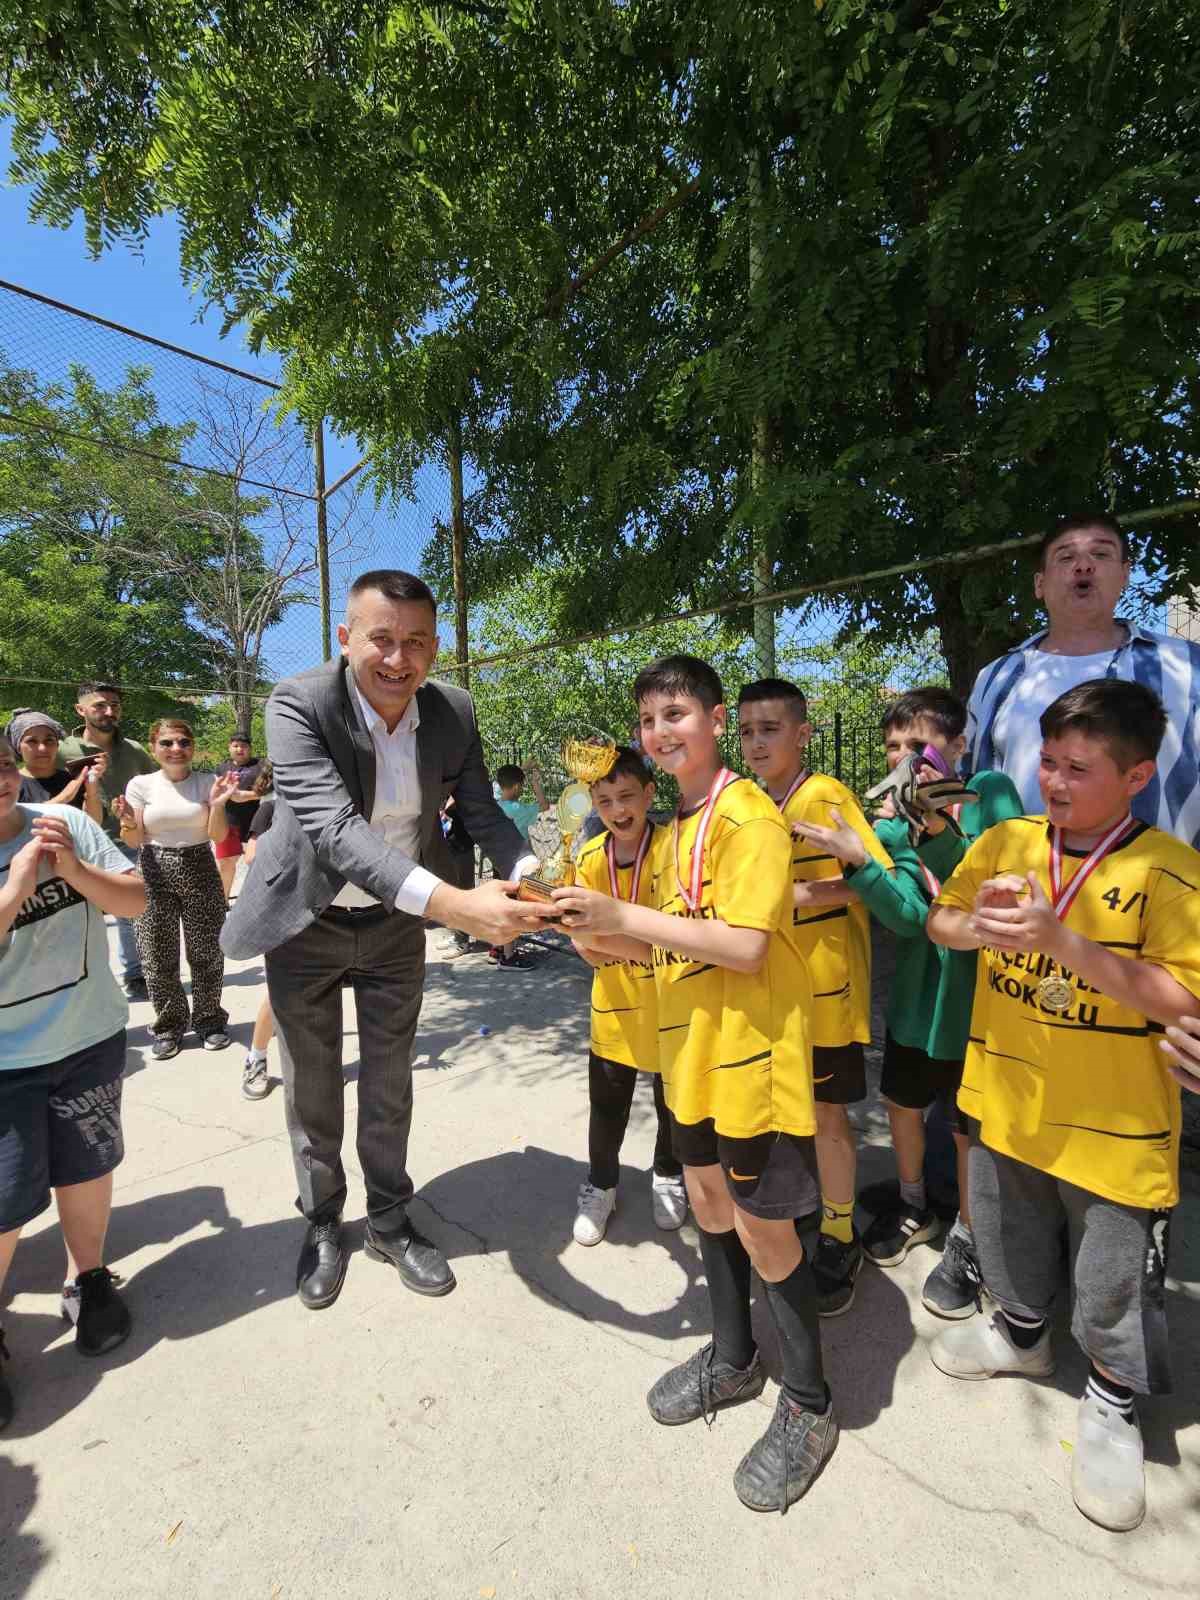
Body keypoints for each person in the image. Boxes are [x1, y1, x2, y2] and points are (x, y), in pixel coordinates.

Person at [220, 569, 554, 1312]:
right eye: (382, 640)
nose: (398, 660)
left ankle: (389, 1219)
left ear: (435, 647)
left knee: (390, 1077)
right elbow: (333, 831)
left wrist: (536, 881)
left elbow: (483, 815)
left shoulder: (454, 713)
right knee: (311, 1084)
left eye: (416, 643)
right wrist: (457, 908)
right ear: (346, 639)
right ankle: (321, 1222)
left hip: (394, 927)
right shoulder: (299, 703)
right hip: (305, 920)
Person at [553, 655, 837, 1515]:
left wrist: (624, 917)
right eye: (647, 721)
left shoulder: (748, 816)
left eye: (675, 713)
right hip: (691, 1058)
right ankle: (732, 1355)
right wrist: (594, 937)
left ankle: (810, 1404)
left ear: (715, 720)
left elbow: (747, 944)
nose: (659, 732)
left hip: (753, 1060)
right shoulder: (674, 831)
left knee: (766, 1229)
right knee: (709, 1205)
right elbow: (677, 945)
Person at [926, 678, 1200, 1532]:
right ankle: (1021, 1334)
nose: (1054, 780)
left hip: (1115, 1129)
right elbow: (943, 918)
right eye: (1047, 761)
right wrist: (974, 930)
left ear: (1138, 775)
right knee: (1007, 1233)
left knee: (1113, 1276)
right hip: (1008, 1101)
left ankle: (1114, 1402)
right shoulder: (1007, 840)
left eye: (1079, 767)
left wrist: (1059, 941)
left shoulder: (1168, 871)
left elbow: (1182, 998)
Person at [795, 687, 1024, 1316]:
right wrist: (860, 863)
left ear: (957, 748)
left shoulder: (991, 793)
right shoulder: (890, 823)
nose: (904, 760)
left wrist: (941, 830)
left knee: (967, 1126)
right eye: (893, 748)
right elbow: (907, 916)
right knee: (901, 1102)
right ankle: (915, 1203)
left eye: (917, 745)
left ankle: (971, 1239)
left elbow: (990, 879)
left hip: (979, 1001)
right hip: (917, 1002)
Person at [0, 734, 144, 1429]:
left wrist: (74, 869)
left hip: (87, 1036)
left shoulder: (67, 824)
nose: (0, 782)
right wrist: (17, 886)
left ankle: (87, 1279)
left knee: (87, 1166)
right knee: (5, 1201)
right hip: (3, 1061)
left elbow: (136, 902)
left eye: (1, 767)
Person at [737, 677, 893, 1318]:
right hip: (767, 992)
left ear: (802, 733)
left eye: (769, 729)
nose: (755, 743)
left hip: (827, 992)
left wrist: (793, 897)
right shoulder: (744, 802)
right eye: (745, 731)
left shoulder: (825, 795)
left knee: (828, 1116)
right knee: (781, 1113)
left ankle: (838, 1231)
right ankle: (798, 1215)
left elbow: (874, 881)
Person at [965, 512, 1200, 847]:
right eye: (1066, 556)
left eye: (1101, 554)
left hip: (1162, 893)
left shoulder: (1188, 666)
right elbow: (974, 786)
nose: (1084, 565)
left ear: (1125, 575)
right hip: (1025, 891)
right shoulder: (995, 678)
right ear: (1040, 584)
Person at [569, 747, 687, 1244]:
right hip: (614, 1010)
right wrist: (637, 946)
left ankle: (667, 1174)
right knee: (608, 1106)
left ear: (650, 794)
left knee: (672, 1104)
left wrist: (615, 943)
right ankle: (601, 1184)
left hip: (673, 1006)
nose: (618, 810)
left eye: (627, 797)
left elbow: (680, 933)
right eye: (605, 800)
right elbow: (583, 940)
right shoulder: (589, 858)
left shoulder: (673, 850)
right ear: (592, 803)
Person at [118, 718, 237, 1061]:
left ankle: (209, 1020)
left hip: (199, 866)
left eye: (183, 742)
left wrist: (217, 804)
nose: (176, 749)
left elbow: (216, 837)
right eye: (167, 743)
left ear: (192, 746)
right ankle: (169, 1026)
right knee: (157, 956)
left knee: (207, 952)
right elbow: (134, 838)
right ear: (154, 747)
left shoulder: (206, 782)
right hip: (153, 870)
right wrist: (126, 819)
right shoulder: (141, 785)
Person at [60, 683, 158, 999]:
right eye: (100, 705)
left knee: (132, 911)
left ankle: (135, 975)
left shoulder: (134, 750)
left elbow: (156, 786)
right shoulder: (64, 751)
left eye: (114, 705)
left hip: (125, 842)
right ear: (81, 710)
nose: (109, 711)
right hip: (77, 843)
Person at [240, 762, 277, 1100]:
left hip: (324, 913)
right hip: (280, 910)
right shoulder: (270, 808)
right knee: (279, 993)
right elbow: (252, 856)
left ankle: (318, 1065)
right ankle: (256, 1057)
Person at [490, 761, 549, 971]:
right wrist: (535, 782)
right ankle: (508, 956)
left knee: (500, 903)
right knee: (512, 909)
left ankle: (497, 946)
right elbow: (544, 805)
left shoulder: (495, 804)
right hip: (516, 862)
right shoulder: (519, 809)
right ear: (517, 787)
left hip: (498, 860)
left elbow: (500, 784)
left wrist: (520, 770)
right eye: (521, 785)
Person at [7, 708, 105, 823]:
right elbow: (10, 828)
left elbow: (93, 823)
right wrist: (63, 798)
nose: (42, 748)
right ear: (18, 747)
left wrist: (91, 788)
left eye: (49, 740)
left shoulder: (72, 780)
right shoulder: (8, 785)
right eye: (32, 741)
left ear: (57, 745)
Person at [214, 731, 263, 903]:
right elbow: (215, 793)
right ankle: (222, 902)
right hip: (229, 822)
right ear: (229, 747)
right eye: (235, 745)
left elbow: (271, 791)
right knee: (226, 863)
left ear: (250, 748)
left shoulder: (261, 765)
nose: (239, 749)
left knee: (257, 863)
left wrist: (244, 795)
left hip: (257, 823)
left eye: (244, 746)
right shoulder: (221, 768)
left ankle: (256, 902)